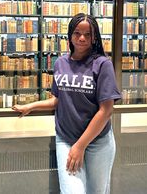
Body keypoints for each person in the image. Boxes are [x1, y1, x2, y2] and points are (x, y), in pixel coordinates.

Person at [12, 13, 121, 194]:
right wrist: (30, 106)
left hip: (98, 142)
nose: (82, 38)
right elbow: (57, 99)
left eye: (88, 34)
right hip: (67, 139)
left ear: (95, 37)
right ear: (70, 35)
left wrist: (81, 146)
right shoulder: (61, 63)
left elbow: (106, 110)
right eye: (77, 33)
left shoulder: (103, 64)